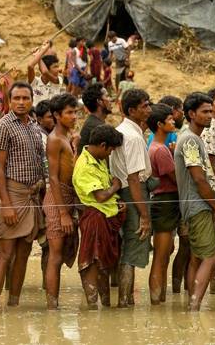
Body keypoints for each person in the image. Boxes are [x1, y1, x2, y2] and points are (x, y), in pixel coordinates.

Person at [0, 82, 47, 309]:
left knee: (25, 250)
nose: (21, 102)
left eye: (25, 98)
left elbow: (39, 163)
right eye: (17, 99)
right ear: (9, 101)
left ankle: (14, 304)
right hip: (13, 193)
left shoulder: (33, 125)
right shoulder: (3, 126)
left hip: (32, 195)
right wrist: (6, 204)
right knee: (5, 252)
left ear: (32, 100)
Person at [174, 92, 215, 311]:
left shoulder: (193, 137)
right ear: (191, 114)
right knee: (210, 257)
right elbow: (198, 177)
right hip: (199, 205)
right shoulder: (191, 140)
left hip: (197, 204)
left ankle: (191, 304)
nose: (210, 116)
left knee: (197, 256)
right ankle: (195, 307)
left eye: (211, 111)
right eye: (205, 111)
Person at [109, 88, 153, 307]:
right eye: (145, 106)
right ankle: (125, 301)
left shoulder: (123, 131)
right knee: (132, 247)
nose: (149, 109)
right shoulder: (133, 137)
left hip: (124, 193)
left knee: (127, 245)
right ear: (132, 110)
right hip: (134, 193)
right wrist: (144, 215)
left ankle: (124, 301)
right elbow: (134, 179)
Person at [74, 125, 125, 309]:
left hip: (106, 214)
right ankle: (92, 305)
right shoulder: (85, 166)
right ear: (103, 145)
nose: (111, 154)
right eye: (111, 149)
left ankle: (103, 304)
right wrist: (116, 187)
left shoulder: (98, 159)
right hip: (94, 217)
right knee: (92, 260)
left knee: (103, 261)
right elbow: (101, 196)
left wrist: (116, 200)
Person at [42, 94, 80, 309]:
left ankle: (53, 305)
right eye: (69, 113)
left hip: (68, 197)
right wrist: (63, 212)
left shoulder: (67, 136)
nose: (74, 116)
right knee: (55, 256)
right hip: (58, 200)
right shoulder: (55, 139)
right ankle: (52, 308)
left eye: (75, 112)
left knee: (59, 253)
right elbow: (54, 178)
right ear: (57, 115)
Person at [147, 103, 179, 305]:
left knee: (163, 255)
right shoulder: (161, 151)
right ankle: (157, 302)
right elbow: (176, 179)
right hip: (165, 202)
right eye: (169, 119)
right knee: (161, 257)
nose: (173, 121)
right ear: (160, 124)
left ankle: (159, 300)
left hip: (161, 201)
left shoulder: (154, 147)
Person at [27, 41, 64, 106]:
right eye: (55, 67)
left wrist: (39, 53)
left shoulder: (58, 80)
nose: (58, 69)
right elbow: (30, 66)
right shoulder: (34, 81)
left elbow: (45, 72)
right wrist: (40, 52)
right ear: (46, 67)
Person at [79, 83, 112, 153]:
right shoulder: (96, 127)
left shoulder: (94, 122)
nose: (110, 99)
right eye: (107, 96)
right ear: (99, 101)